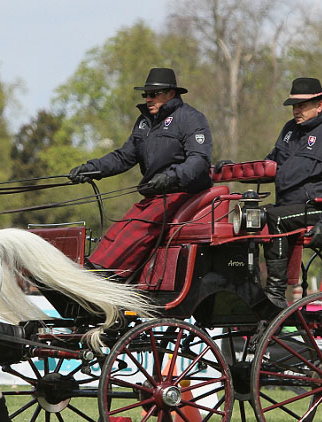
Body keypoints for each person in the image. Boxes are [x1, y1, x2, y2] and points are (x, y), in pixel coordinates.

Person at [68, 67, 213, 281]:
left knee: (138, 228)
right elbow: (123, 157)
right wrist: (92, 168)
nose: (148, 99)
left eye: (153, 94)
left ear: (171, 93)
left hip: (182, 194)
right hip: (155, 195)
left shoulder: (191, 119)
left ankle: (107, 275)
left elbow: (199, 161)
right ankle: (94, 271)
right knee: (120, 228)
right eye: (145, 94)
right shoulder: (144, 122)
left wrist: (171, 177)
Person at [262, 77, 322, 308]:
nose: (297, 110)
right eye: (294, 105)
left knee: (276, 218)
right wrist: (237, 167)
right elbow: (270, 163)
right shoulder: (289, 131)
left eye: (302, 105)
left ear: (319, 105)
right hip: (291, 207)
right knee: (251, 217)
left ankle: (275, 294)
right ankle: (251, 286)